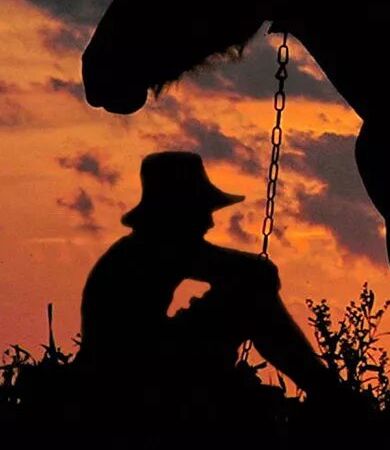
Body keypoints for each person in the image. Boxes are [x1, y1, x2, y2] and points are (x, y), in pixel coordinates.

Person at [74, 151, 338, 418]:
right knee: (248, 298)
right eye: (202, 211)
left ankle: (326, 391)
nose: (210, 222)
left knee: (246, 295)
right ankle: (331, 394)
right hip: (133, 371)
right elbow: (246, 271)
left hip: (136, 361)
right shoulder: (156, 248)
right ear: (180, 210)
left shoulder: (140, 248)